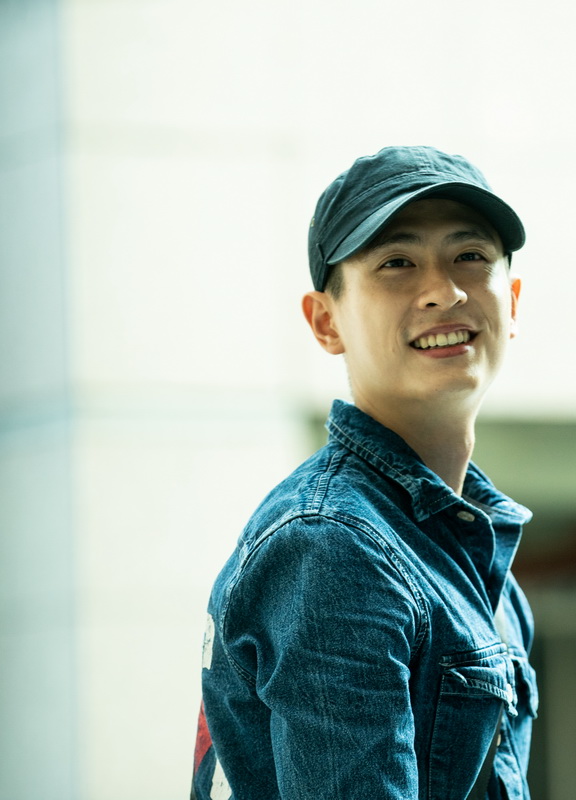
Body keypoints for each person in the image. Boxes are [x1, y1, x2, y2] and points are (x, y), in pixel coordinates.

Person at [191, 146, 538, 800]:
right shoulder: (334, 547)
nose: (445, 291)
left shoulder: (477, 557)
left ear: (512, 303)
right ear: (327, 322)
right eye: (397, 263)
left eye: (471, 256)